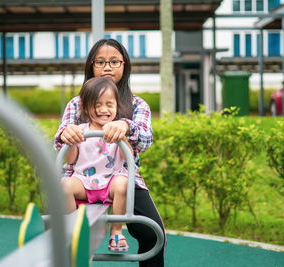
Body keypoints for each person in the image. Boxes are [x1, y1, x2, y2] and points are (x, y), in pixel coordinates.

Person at [54, 38, 166, 266]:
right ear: (91, 66)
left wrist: (126, 125)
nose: (107, 67)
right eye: (101, 62)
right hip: (80, 178)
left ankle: (119, 234)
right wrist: (67, 135)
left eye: (114, 61)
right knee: (55, 231)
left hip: (121, 178)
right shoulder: (77, 104)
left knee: (153, 235)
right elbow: (60, 143)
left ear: (124, 65)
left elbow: (145, 141)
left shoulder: (136, 105)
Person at [61, 77, 132, 251]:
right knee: (64, 186)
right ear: (85, 108)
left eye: (109, 104)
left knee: (123, 183)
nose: (103, 109)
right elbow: (71, 160)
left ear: (116, 106)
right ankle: (74, 229)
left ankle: (116, 231)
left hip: (110, 182)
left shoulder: (116, 130)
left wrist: (122, 138)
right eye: (97, 104)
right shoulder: (81, 130)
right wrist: (71, 140)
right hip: (84, 181)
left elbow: (127, 156)